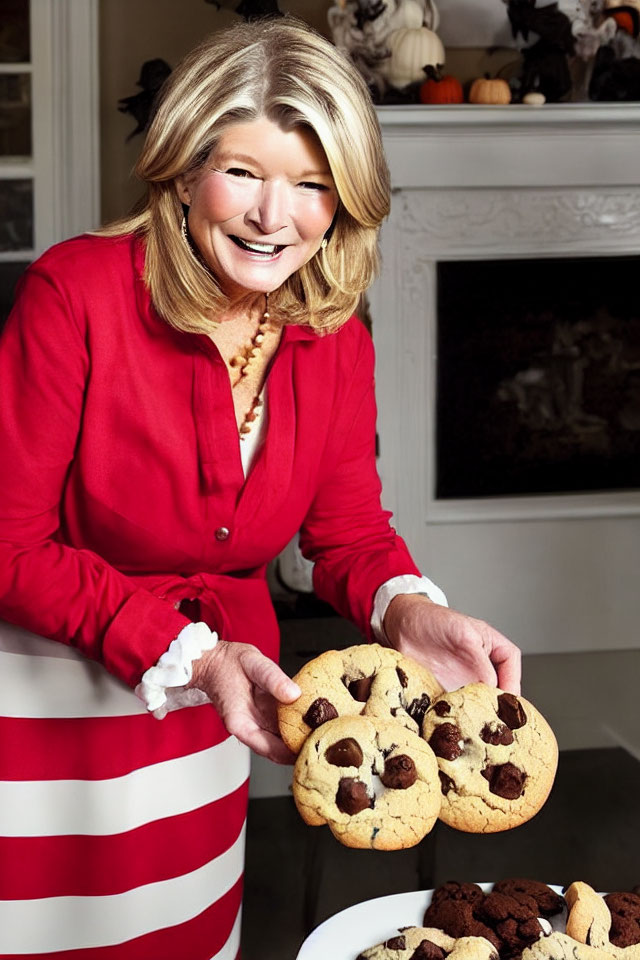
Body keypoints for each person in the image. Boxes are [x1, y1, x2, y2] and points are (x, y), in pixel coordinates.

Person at [0, 16, 521, 960]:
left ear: (346, 200)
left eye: (313, 184)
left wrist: (408, 611)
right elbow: (9, 545)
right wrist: (192, 655)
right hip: (41, 722)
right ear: (183, 166)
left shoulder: (335, 338)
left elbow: (349, 534)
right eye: (243, 172)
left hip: (210, 726)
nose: (273, 216)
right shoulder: (74, 294)